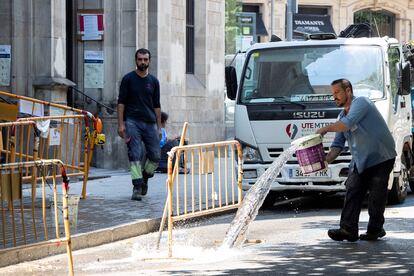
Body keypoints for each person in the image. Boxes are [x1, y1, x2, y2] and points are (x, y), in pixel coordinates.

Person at [316, 78, 396, 242]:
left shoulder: (362, 103)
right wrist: (324, 162)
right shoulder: (341, 115)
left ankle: (375, 229)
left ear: (348, 91)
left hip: (381, 156)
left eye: (337, 93)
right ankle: (348, 230)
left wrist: (325, 129)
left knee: (376, 194)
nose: (334, 97)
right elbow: (337, 145)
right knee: (352, 190)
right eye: (333, 94)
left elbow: (347, 124)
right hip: (361, 159)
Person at [117, 48, 161, 201]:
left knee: (155, 156)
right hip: (132, 122)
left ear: (149, 61)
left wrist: (159, 127)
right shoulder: (128, 79)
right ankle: (136, 186)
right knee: (135, 154)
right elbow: (121, 103)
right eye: (140, 59)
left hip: (150, 123)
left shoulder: (154, 81)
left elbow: (157, 105)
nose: (143, 62)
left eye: (145, 59)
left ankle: (145, 178)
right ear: (136, 60)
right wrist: (121, 124)